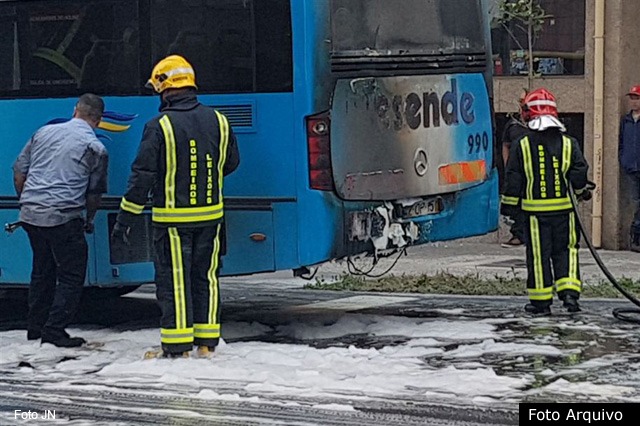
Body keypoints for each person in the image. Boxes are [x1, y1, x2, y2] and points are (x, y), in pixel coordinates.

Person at [111, 55, 240, 358]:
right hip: (212, 219)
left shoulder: (160, 125)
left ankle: (178, 347)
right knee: (206, 278)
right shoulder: (219, 120)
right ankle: (207, 344)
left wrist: (124, 221)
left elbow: (142, 177)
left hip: (172, 221)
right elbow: (231, 163)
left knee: (174, 282)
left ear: (165, 87)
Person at [13, 94, 108, 347]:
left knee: (41, 270)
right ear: (98, 120)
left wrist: (28, 201)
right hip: (63, 216)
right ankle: (54, 330)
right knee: (71, 274)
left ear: (75, 110)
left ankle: (35, 328)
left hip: (31, 214)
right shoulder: (95, 147)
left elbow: (19, 170)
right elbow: (94, 193)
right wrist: (89, 220)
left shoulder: (43, 133)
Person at [501, 88, 590, 315]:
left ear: (529, 114)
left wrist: (510, 208)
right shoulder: (570, 143)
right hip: (566, 213)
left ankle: (541, 303)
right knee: (567, 251)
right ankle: (570, 296)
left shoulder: (521, 144)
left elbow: (513, 179)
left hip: (535, 216)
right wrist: (581, 191)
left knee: (539, 255)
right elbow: (579, 171)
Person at [500, 89, 529, 247]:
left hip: (532, 170)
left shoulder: (536, 124)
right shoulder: (512, 124)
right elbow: (506, 145)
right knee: (515, 203)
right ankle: (517, 234)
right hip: (516, 171)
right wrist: (507, 165)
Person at [618, 85, 640, 252]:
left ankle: (636, 235)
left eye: (637, 98)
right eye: (632, 98)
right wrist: (623, 159)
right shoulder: (626, 121)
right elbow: (621, 143)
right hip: (631, 168)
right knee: (635, 202)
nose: (634, 101)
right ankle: (635, 237)